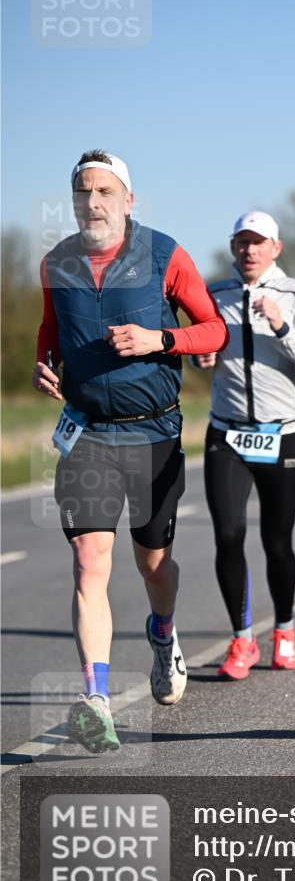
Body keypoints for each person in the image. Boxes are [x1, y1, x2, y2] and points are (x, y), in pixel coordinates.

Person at [32, 150, 229, 753]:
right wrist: (43, 364)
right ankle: (96, 698)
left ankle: (163, 633)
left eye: (104, 191)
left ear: (128, 199)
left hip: (153, 433)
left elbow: (214, 328)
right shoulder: (56, 263)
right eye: (83, 192)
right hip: (87, 433)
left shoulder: (164, 254)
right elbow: (50, 329)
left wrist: (158, 339)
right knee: (89, 561)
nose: (93, 202)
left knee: (153, 564)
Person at [195, 211, 295, 680]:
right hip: (227, 433)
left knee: (277, 541)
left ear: (276, 248)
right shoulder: (213, 294)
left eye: (258, 242)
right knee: (228, 534)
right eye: (242, 242)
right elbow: (199, 351)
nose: (249, 250)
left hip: (282, 434)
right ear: (233, 246)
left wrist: (281, 326)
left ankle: (285, 631)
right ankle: (242, 639)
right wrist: (200, 358)